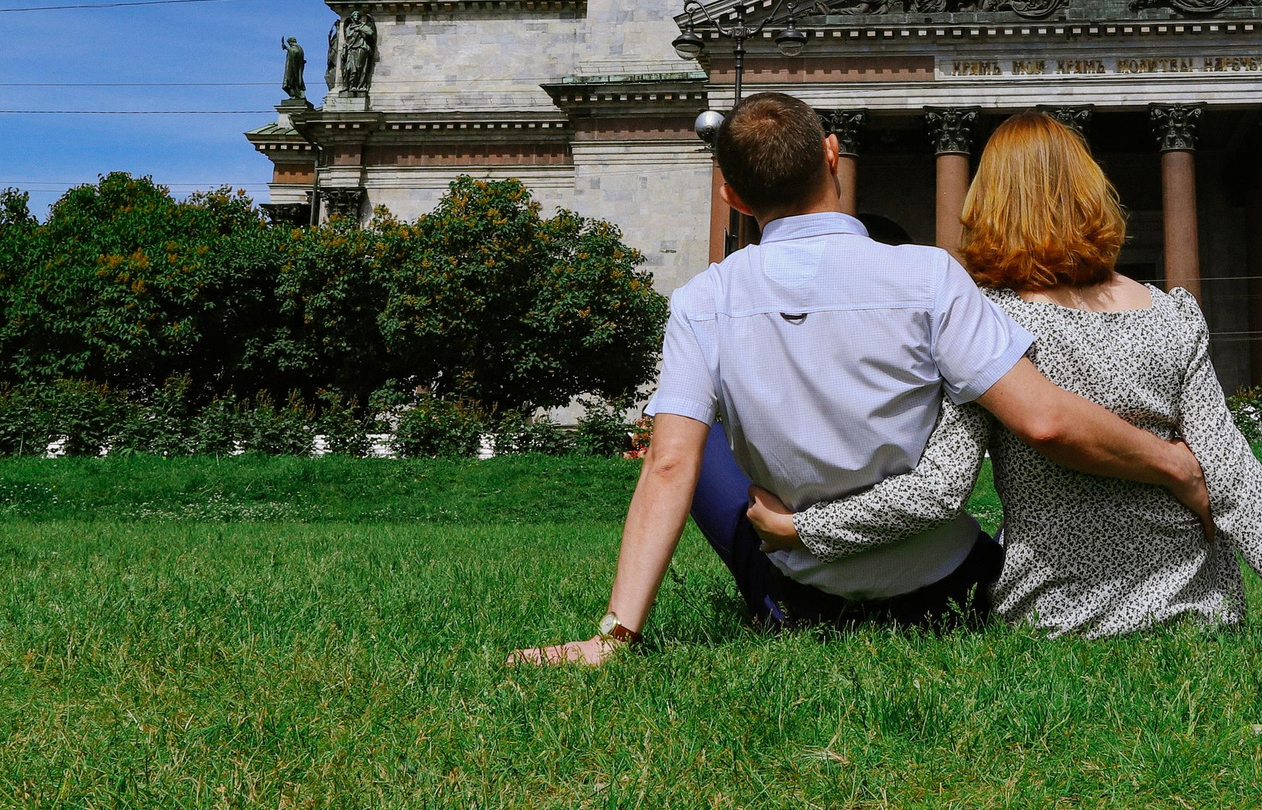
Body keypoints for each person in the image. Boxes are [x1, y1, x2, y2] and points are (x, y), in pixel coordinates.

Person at [511, 94, 1212, 667]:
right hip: (943, 594)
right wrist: (1172, 463)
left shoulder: (703, 299)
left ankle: (784, 603)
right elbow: (1045, 419)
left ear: (730, 192)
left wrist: (614, 635)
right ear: (830, 154)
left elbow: (668, 466)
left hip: (800, 589)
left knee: (688, 440)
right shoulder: (930, 274)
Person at [749, 111, 1262, 650]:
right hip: (1194, 623)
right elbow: (1237, 484)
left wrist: (803, 529)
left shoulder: (991, 327)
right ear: (1089, 192)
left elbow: (935, 492)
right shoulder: (1172, 315)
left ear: (989, 204)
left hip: (1054, 622)